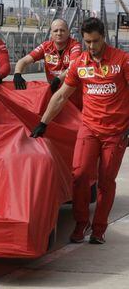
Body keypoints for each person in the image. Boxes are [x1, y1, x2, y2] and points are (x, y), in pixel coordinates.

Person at [30, 17, 129, 244]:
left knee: (106, 181)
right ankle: (81, 223)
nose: (92, 47)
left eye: (95, 41)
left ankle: (99, 229)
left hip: (116, 132)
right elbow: (62, 95)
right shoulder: (80, 63)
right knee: (80, 175)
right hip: (89, 128)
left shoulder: (122, 60)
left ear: (104, 37)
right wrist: (43, 122)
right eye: (87, 42)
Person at [14, 19, 83, 108]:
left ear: (68, 32)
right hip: (54, 92)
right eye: (55, 30)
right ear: (51, 33)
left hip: (73, 94)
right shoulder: (45, 46)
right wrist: (17, 73)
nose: (59, 33)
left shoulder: (75, 46)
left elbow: (73, 67)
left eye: (62, 30)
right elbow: (23, 61)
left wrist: (58, 79)